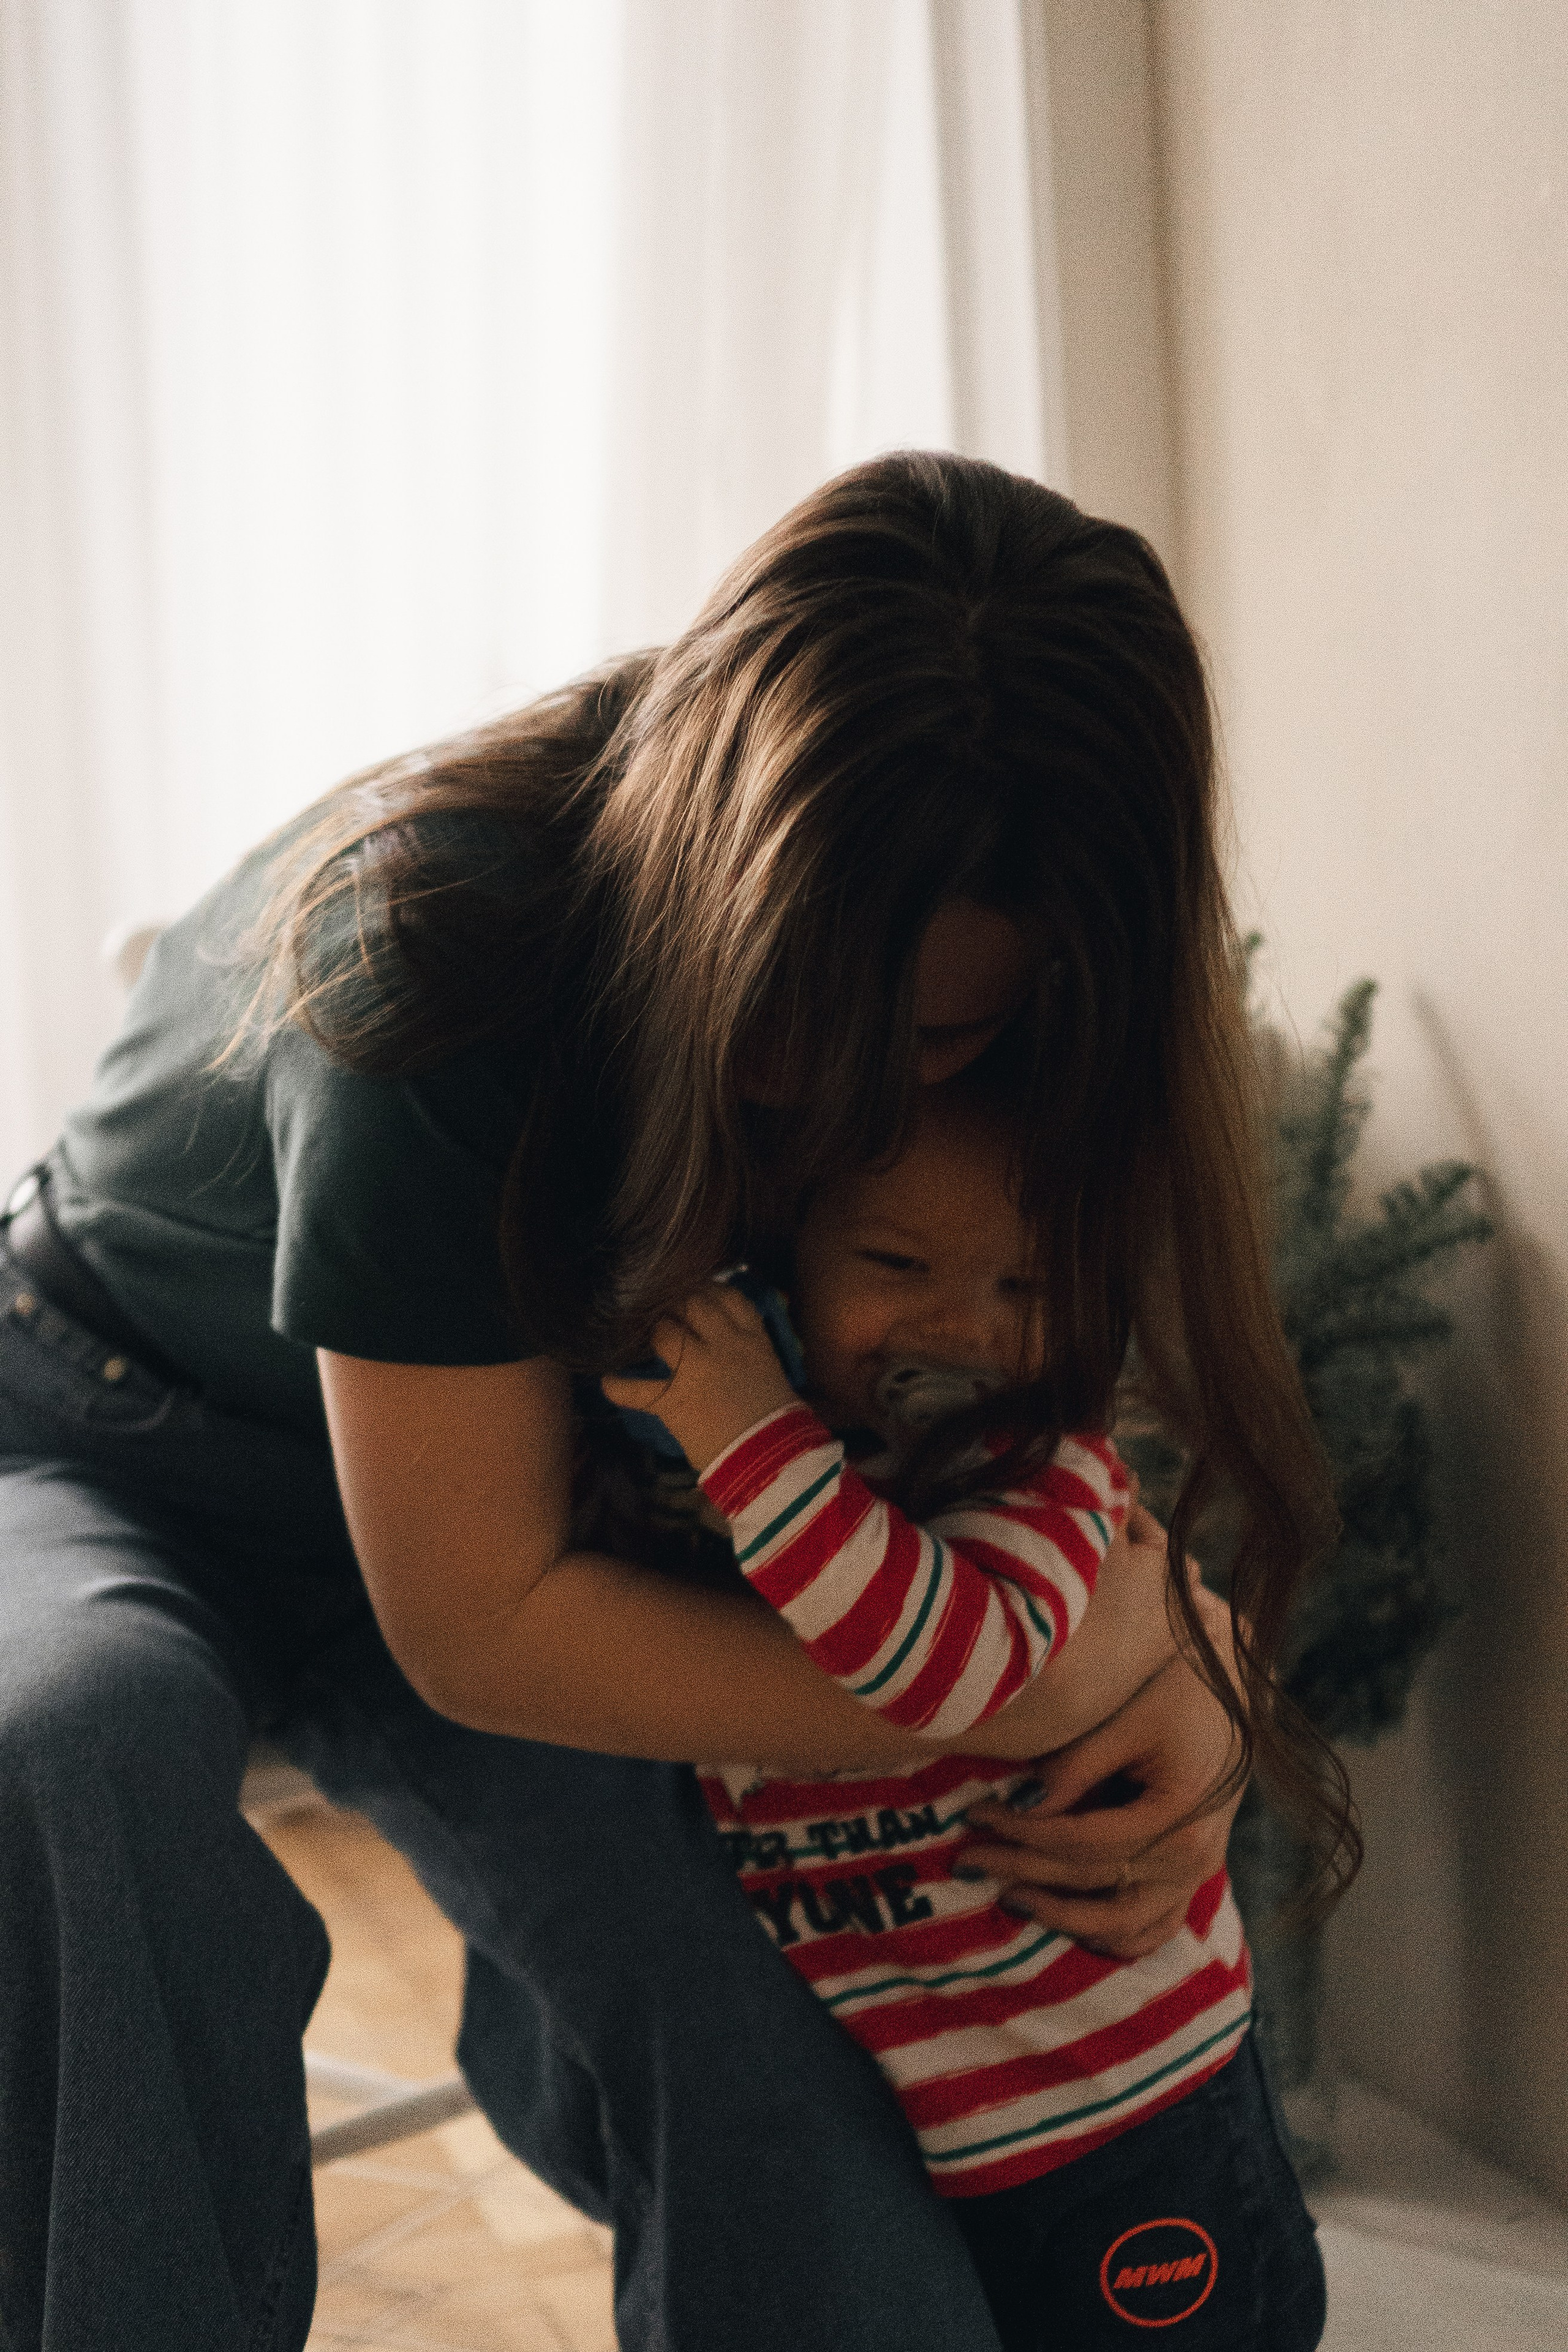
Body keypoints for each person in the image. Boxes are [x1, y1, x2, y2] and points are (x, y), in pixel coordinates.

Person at [0, 453, 1346, 2352]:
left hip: (560, 1518)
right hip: (95, 1422)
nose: (829, 1090)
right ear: (717, 870)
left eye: (933, 1043)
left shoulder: (1018, 971)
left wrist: (1181, 1653)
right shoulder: (430, 948)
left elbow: (999, 1429)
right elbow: (480, 1629)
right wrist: (1018, 1681)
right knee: (74, 1748)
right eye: (790, 1003)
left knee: (819, 2179)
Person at [600, 1075, 1327, 2348]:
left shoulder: (1036, 1473)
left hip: (1129, 2115)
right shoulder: (774, 1486)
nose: (962, 1326)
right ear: (786, 1266)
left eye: (1026, 1290)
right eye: (893, 1261)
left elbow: (947, 1677)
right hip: (941, 2128)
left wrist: (745, 1428)